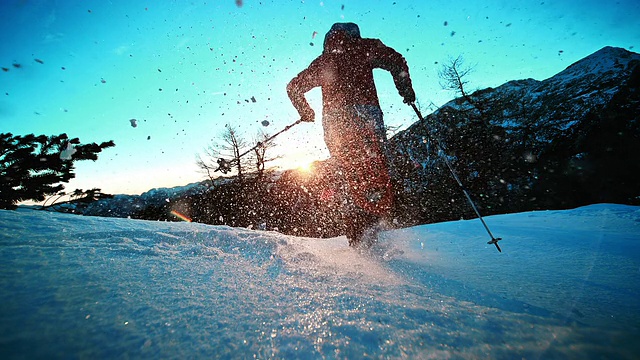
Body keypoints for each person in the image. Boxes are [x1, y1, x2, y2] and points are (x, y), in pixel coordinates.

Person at [286, 22, 416, 247]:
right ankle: (379, 221)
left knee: (347, 172)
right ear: (354, 34)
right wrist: (405, 90)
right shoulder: (365, 47)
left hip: (336, 123)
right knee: (375, 168)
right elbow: (397, 61)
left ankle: (357, 232)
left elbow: (293, 87)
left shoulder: (323, 61)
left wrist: (306, 112)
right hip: (366, 116)